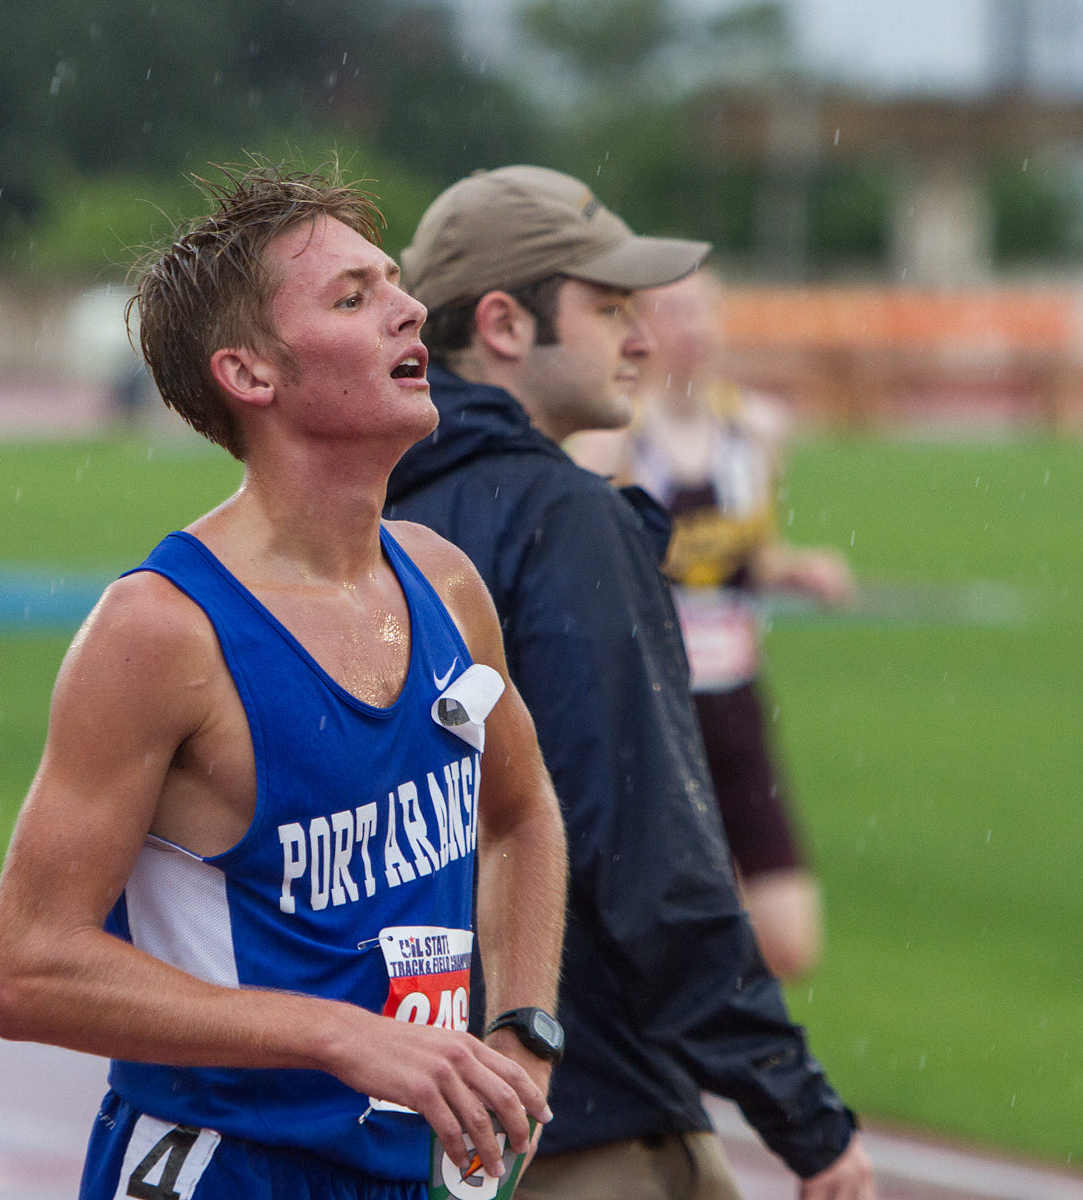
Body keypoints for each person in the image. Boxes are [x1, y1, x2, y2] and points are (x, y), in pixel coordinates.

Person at [0, 163, 569, 1199]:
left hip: (410, 1175)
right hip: (225, 1168)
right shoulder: (161, 631)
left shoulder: (446, 584)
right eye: (354, 297)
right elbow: (28, 969)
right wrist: (339, 1037)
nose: (408, 309)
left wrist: (523, 1027)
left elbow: (519, 818)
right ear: (250, 374)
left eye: (393, 282)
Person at [385, 166, 874, 1199]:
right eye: (610, 310)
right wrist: (804, 1116)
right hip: (579, 1102)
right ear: (507, 325)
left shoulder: (353, 514)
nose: (641, 340)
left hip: (392, 1106)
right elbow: (650, 860)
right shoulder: (568, 522)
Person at [623, 269, 855, 981]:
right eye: (673, 311)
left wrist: (800, 568)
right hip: (652, 712)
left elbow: (751, 556)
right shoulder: (613, 439)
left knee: (787, 940)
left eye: (703, 311)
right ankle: (684, 1078)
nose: (692, 327)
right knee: (669, 935)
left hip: (737, 702)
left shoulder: (756, 430)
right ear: (637, 326)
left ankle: (706, 1062)